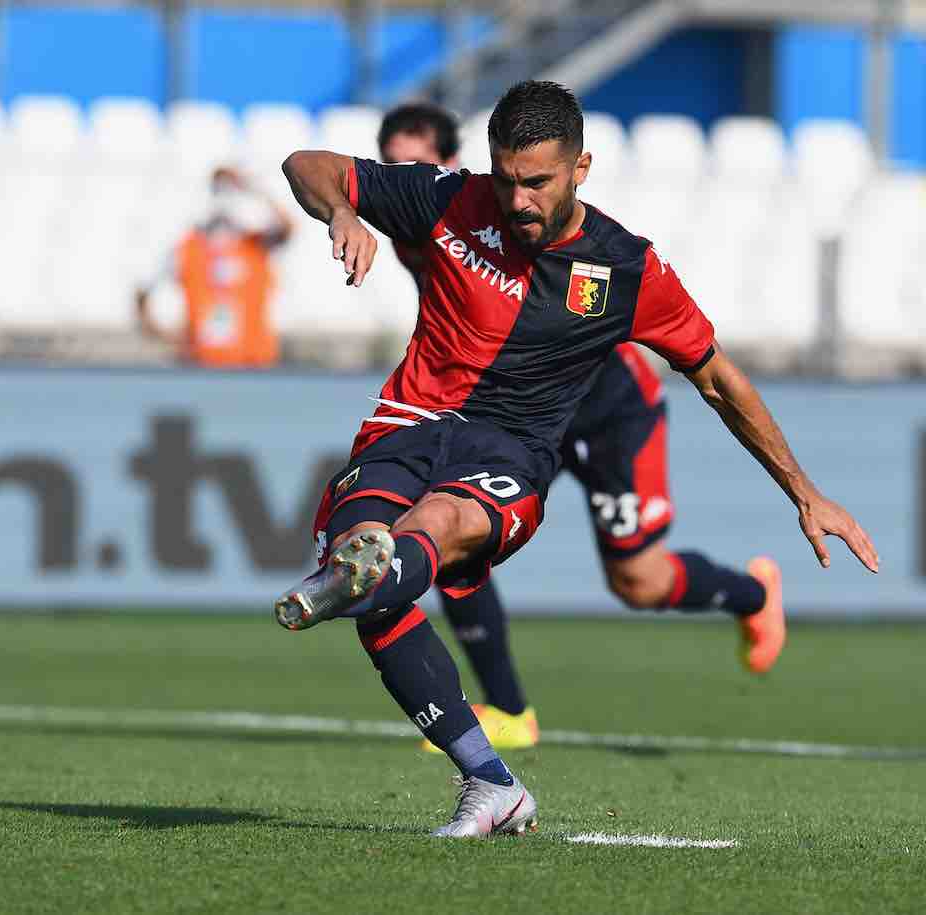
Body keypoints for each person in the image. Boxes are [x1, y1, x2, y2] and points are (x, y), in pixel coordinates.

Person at [274, 81, 878, 839]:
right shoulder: (449, 200)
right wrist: (342, 210)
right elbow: (306, 163)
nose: (518, 200)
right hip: (407, 427)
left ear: (581, 168)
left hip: (518, 448)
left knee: (524, 549)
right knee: (366, 567)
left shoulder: (626, 270)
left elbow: (719, 379)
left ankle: (369, 573)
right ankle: (490, 779)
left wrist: (804, 491)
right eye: (506, 180)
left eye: (537, 182)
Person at [374, 103, 796, 757]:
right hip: (512, 421)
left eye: (420, 161)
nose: (409, 172)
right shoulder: (427, 221)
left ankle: (751, 592)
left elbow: (703, 365)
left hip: (607, 409)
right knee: (449, 534)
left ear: (453, 163)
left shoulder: (506, 216)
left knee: (639, 581)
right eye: (395, 159)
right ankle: (510, 709)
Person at [137, 166, 292, 368]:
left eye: (229, 191)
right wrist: (172, 339)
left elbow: (287, 227)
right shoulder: (187, 247)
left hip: (253, 365)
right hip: (201, 365)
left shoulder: (254, 245)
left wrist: (252, 187)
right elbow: (142, 295)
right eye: (218, 191)